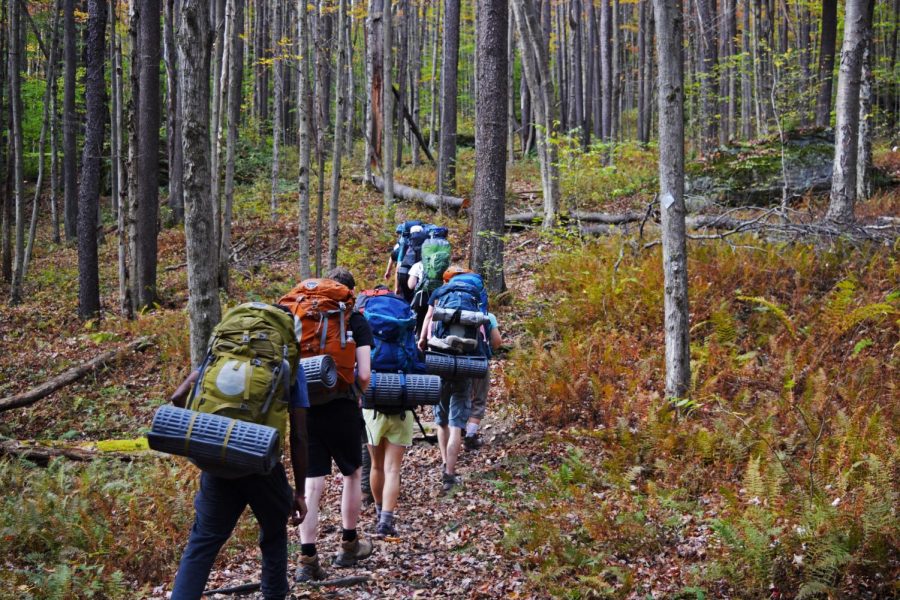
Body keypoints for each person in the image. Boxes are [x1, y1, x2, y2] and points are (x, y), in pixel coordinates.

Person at [168, 314, 309, 600]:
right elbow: (299, 436)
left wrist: (206, 434)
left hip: (218, 460)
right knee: (273, 534)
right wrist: (301, 492)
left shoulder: (225, 354)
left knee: (203, 542)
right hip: (261, 463)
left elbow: (177, 397)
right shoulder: (287, 365)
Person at [295, 267, 375, 581]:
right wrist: (355, 394)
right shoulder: (355, 320)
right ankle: (348, 544)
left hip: (305, 409)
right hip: (341, 404)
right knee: (352, 474)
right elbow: (365, 373)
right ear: (349, 294)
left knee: (312, 483)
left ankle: (307, 558)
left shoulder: (302, 318)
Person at [417, 267, 488, 493]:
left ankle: (443, 462)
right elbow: (483, 329)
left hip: (441, 359)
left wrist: (422, 340)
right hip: (465, 362)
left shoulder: (440, 292)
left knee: (441, 418)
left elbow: (429, 317)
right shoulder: (476, 296)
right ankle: (449, 473)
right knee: (458, 422)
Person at [464, 313, 503, 451]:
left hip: (453, 363)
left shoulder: (449, 312)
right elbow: (497, 341)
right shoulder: (487, 316)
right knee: (478, 400)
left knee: (459, 398)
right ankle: (470, 436)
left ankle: (456, 434)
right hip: (479, 361)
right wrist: (487, 350)